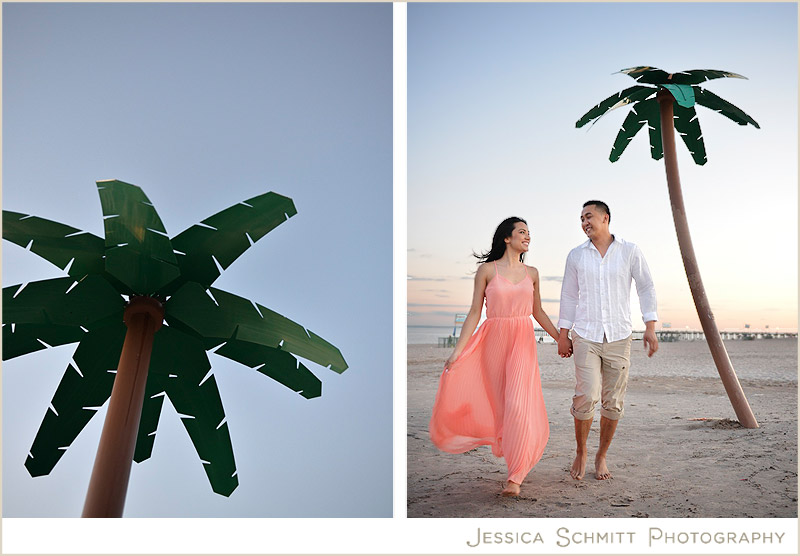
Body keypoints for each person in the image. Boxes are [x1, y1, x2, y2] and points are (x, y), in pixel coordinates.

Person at [429, 217, 563, 497]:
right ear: (507, 238)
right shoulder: (487, 271)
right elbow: (475, 313)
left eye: (529, 233)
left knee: (518, 404)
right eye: (522, 232)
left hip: (523, 342)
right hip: (493, 341)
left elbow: (537, 312)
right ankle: (508, 444)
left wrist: (559, 337)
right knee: (502, 407)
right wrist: (457, 351)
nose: (528, 237)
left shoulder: (533, 273)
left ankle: (515, 476)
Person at [557, 200, 658, 481]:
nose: (584, 222)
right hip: (585, 335)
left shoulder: (629, 251)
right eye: (581, 219)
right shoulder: (576, 256)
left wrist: (650, 326)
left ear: (605, 218)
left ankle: (601, 455)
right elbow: (569, 295)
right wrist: (563, 334)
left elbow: (646, 286)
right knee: (586, 396)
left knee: (613, 403)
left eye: (588, 216)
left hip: (619, 335)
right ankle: (581, 451)